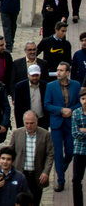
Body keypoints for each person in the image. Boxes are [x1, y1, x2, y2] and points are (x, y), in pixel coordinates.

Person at [44, 61, 82, 193]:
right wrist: (60, 110)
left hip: (70, 123)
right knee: (58, 153)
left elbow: (80, 102)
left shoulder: (76, 85)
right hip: (57, 123)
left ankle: (61, 169)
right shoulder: (51, 86)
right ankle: (60, 180)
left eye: (61, 70)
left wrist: (70, 110)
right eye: (57, 70)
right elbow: (47, 104)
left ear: (67, 72)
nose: (58, 73)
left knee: (71, 151)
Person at [11, 111, 54, 206]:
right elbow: (10, 153)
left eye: (31, 123)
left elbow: (50, 154)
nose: (29, 126)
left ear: (37, 122)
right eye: (26, 123)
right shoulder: (17, 134)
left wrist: (46, 172)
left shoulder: (45, 134)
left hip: (37, 176)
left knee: (35, 201)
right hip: (21, 174)